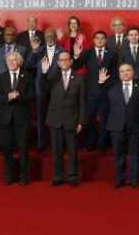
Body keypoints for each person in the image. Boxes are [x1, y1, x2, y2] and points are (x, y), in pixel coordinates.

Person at [100, 63, 139, 188]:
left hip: (135, 126)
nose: (125, 73)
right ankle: (120, 179)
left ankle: (134, 180)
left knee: (135, 155)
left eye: (128, 70)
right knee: (118, 156)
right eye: (122, 71)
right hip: (116, 126)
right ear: (119, 74)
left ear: (133, 72)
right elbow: (104, 107)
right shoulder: (112, 87)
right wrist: (101, 84)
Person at [41, 52, 86, 187]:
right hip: (55, 119)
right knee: (57, 150)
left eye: (67, 59)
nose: (64, 62)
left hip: (72, 119)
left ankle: (72, 176)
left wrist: (81, 121)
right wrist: (44, 73)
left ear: (71, 61)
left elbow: (83, 101)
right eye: (61, 60)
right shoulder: (52, 77)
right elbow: (44, 91)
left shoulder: (79, 78)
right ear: (58, 63)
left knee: (72, 150)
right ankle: (58, 175)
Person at [73, 31, 118, 151]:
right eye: (97, 38)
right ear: (93, 40)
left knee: (104, 120)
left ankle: (102, 145)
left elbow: (115, 75)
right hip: (91, 93)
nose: (100, 40)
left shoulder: (112, 54)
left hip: (106, 93)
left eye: (102, 38)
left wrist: (105, 82)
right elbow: (76, 66)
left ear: (105, 40)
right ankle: (90, 144)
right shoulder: (88, 53)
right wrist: (76, 55)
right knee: (90, 120)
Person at [0, 52, 34, 186]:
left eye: (13, 60)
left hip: (22, 118)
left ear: (19, 61)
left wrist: (19, 96)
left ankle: (24, 177)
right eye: (9, 61)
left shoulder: (27, 76)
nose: (11, 63)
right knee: (7, 149)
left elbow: (31, 96)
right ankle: (9, 176)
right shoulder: (1, 77)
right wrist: (8, 97)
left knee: (23, 149)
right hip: (6, 119)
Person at [25, 28, 65, 151]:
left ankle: (57, 145)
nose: (50, 37)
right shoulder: (39, 50)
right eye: (47, 35)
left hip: (57, 90)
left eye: (52, 35)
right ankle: (41, 144)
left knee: (57, 118)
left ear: (55, 37)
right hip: (40, 89)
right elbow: (28, 65)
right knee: (41, 118)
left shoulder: (62, 50)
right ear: (44, 37)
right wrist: (34, 50)